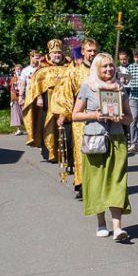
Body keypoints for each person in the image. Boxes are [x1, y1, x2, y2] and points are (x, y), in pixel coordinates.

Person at [72, 53, 133, 242]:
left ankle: (117, 228)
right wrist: (95, 116)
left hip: (117, 140)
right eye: (104, 67)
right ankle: (101, 223)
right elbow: (75, 115)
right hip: (95, 140)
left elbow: (129, 118)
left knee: (117, 182)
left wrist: (120, 118)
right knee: (97, 182)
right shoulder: (87, 87)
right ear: (97, 68)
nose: (109, 69)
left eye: (111, 66)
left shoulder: (120, 89)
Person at [52, 39, 100, 200]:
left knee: (99, 150)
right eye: (89, 50)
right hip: (80, 118)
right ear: (83, 52)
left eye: (94, 50)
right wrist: (64, 113)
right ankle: (81, 183)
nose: (92, 53)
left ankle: (97, 184)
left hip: (100, 117)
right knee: (81, 151)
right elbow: (66, 94)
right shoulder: (74, 72)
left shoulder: (101, 70)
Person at [23, 40, 70, 162]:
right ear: (50, 54)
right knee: (47, 126)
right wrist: (38, 97)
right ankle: (49, 152)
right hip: (47, 102)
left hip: (65, 103)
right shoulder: (42, 68)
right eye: (54, 53)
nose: (57, 55)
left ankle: (65, 153)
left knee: (65, 126)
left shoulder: (69, 67)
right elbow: (35, 84)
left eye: (59, 53)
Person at [123, 48, 138, 151]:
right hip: (133, 96)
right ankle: (134, 143)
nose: (137, 59)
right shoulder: (130, 68)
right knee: (133, 119)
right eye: (135, 57)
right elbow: (125, 82)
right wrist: (123, 79)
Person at [10, 64, 25, 135]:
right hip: (15, 99)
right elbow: (11, 87)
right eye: (16, 69)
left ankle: (30, 128)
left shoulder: (24, 77)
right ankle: (19, 129)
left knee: (25, 113)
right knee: (16, 114)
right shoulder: (13, 78)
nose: (18, 71)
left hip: (23, 98)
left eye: (19, 69)